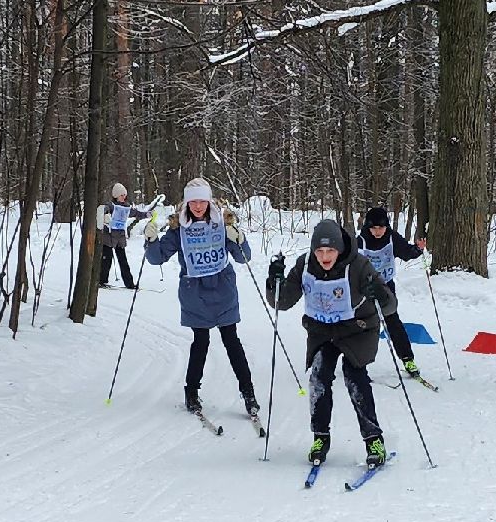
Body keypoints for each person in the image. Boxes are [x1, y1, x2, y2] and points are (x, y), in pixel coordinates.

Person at [266, 218, 397, 467]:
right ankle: (320, 437)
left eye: (330, 251)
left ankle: (373, 440)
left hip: (358, 329)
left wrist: (379, 294)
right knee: (319, 375)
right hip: (322, 330)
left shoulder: (359, 265)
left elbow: (389, 305)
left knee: (354, 375)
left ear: (339, 248)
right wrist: (274, 282)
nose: (325, 257)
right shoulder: (305, 266)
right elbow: (281, 302)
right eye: (320, 251)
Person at [144, 178, 259, 419]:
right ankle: (192, 393)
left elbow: (243, 257)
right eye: (193, 201)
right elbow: (157, 258)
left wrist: (238, 237)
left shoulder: (221, 224)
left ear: (209, 201)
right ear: (186, 203)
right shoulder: (180, 229)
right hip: (194, 292)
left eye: (202, 201)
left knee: (231, 340)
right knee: (201, 343)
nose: (198, 206)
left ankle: (248, 392)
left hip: (223, 289)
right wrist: (151, 240)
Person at [354, 206, 428, 378]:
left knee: (393, 322)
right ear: (368, 227)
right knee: (361, 324)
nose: (377, 231)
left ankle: (408, 359)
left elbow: (406, 252)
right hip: (365, 290)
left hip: (386, 287)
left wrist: (417, 249)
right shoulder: (360, 241)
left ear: (386, 226)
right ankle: (355, 359)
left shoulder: (391, 237)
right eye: (373, 228)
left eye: (381, 227)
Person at [97, 183, 150, 289]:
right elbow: (101, 211)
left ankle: (129, 283)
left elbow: (135, 213)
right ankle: (101, 281)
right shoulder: (111, 205)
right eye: (122, 195)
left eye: (125, 195)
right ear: (116, 195)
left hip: (120, 238)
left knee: (123, 261)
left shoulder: (126, 206)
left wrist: (146, 214)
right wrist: (105, 217)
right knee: (106, 260)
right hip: (108, 237)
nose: (124, 197)